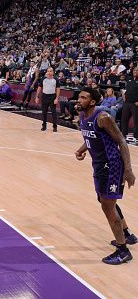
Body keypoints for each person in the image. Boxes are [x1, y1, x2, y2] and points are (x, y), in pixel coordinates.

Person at [75, 86, 137, 265]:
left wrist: (128, 170)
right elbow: (91, 137)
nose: (79, 100)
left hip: (112, 166)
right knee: (106, 202)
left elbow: (122, 141)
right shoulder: (83, 116)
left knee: (107, 206)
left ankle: (123, 250)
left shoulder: (103, 117)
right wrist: (81, 149)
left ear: (92, 102)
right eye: (79, 97)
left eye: (83, 98)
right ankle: (127, 235)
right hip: (99, 166)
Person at [36, 67, 60, 132]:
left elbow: (58, 89)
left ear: (53, 72)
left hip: (52, 96)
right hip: (44, 96)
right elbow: (39, 88)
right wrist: (37, 97)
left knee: (53, 112)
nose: (49, 72)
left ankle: (55, 126)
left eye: (51, 71)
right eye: (48, 71)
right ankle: (44, 126)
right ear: (46, 72)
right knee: (44, 112)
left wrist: (57, 98)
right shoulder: (43, 79)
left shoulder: (56, 79)